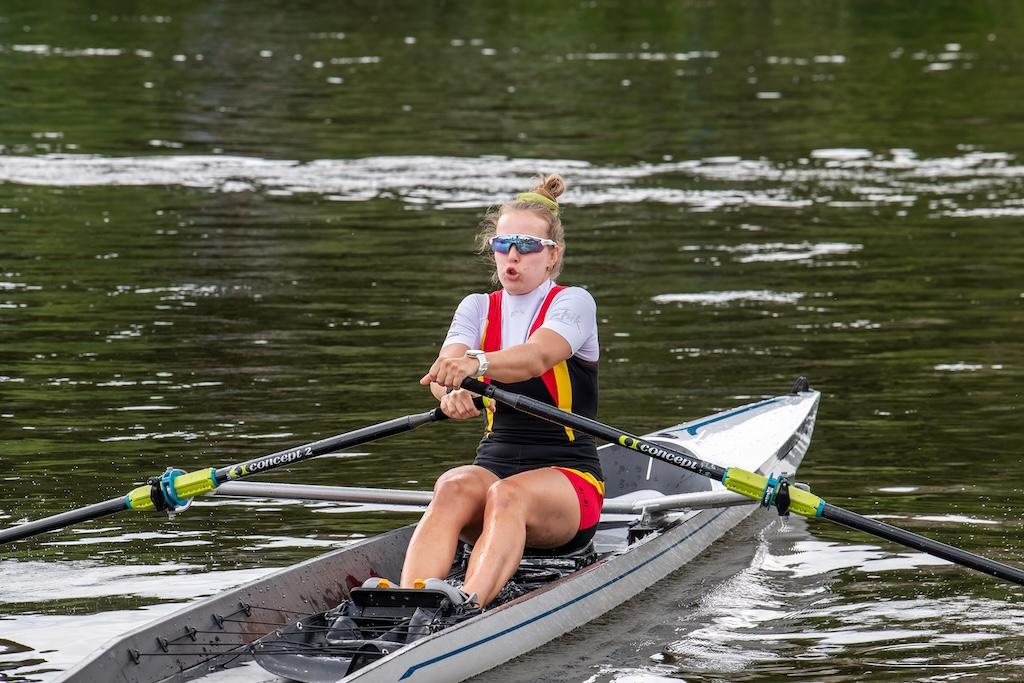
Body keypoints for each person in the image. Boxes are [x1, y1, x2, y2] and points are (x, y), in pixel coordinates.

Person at [399, 173, 602, 608]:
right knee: (451, 485)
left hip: (569, 480)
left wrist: (477, 365)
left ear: (552, 255)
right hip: (494, 464)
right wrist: (451, 393)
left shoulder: (573, 302)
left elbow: (536, 358)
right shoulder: (477, 307)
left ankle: (467, 608)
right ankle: (408, 603)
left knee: (508, 495)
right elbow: (444, 371)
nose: (513, 256)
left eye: (527, 245)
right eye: (503, 244)